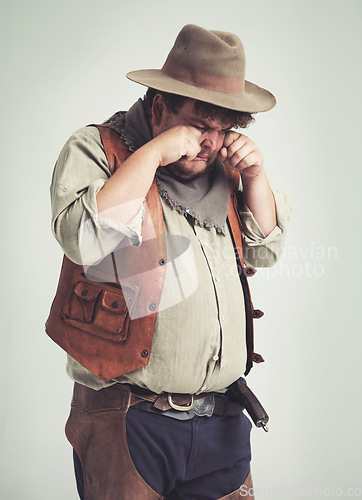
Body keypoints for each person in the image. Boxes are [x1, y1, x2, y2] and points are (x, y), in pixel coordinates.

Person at [46, 24, 293, 500]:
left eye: (226, 128)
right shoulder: (99, 148)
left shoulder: (224, 168)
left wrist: (256, 177)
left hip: (223, 422)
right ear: (160, 107)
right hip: (129, 419)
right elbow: (82, 238)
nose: (213, 142)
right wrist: (155, 152)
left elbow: (265, 250)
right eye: (201, 124)